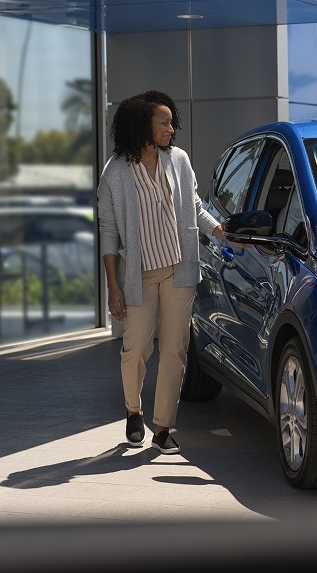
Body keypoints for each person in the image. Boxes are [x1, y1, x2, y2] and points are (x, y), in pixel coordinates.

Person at [97, 90, 228, 454]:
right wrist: (113, 285)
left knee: (175, 350)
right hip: (139, 275)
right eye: (164, 122)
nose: (172, 129)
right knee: (135, 348)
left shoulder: (179, 160)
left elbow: (196, 206)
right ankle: (133, 410)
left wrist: (221, 232)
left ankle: (163, 426)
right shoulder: (115, 173)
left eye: (172, 122)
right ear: (142, 126)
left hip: (178, 270)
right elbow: (108, 231)